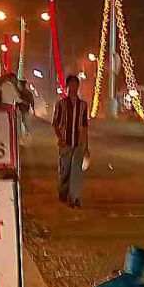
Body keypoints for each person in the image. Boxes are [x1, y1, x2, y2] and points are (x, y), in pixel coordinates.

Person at [53, 74, 88, 208]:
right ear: (67, 87)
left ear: (78, 86)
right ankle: (63, 191)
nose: (73, 88)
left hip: (79, 143)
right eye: (71, 85)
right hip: (65, 142)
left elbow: (84, 126)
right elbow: (55, 123)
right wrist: (60, 138)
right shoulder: (61, 104)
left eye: (75, 85)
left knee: (76, 171)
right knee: (65, 171)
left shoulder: (83, 105)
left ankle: (75, 198)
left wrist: (86, 144)